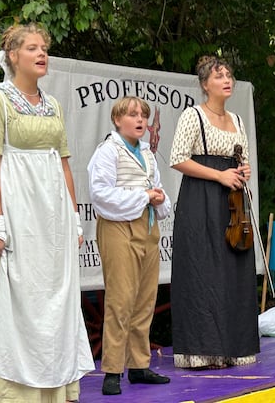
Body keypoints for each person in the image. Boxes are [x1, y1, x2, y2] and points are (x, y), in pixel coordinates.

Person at [0, 22, 95, 403]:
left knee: (53, 301)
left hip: (51, 219)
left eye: (45, 47)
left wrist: (74, 218)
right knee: (15, 300)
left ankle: (54, 392)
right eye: (32, 48)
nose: (42, 53)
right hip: (14, 214)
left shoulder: (53, 105)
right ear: (13, 55)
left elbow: (63, 165)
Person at [169, 55, 260, 369]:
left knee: (233, 268)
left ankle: (234, 347)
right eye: (219, 76)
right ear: (205, 84)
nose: (227, 80)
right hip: (201, 199)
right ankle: (202, 350)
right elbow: (178, 158)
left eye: (229, 75)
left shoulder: (237, 119)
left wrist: (241, 170)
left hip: (232, 202)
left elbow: (242, 159)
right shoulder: (193, 116)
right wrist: (219, 175)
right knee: (204, 270)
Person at [87, 96, 173, 395]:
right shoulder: (108, 152)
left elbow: (157, 188)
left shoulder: (147, 154)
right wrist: (145, 197)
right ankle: (112, 370)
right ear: (117, 120)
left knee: (145, 299)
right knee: (120, 300)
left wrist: (159, 198)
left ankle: (138, 365)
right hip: (118, 227)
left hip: (147, 227)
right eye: (133, 115)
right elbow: (100, 195)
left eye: (143, 115)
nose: (140, 120)